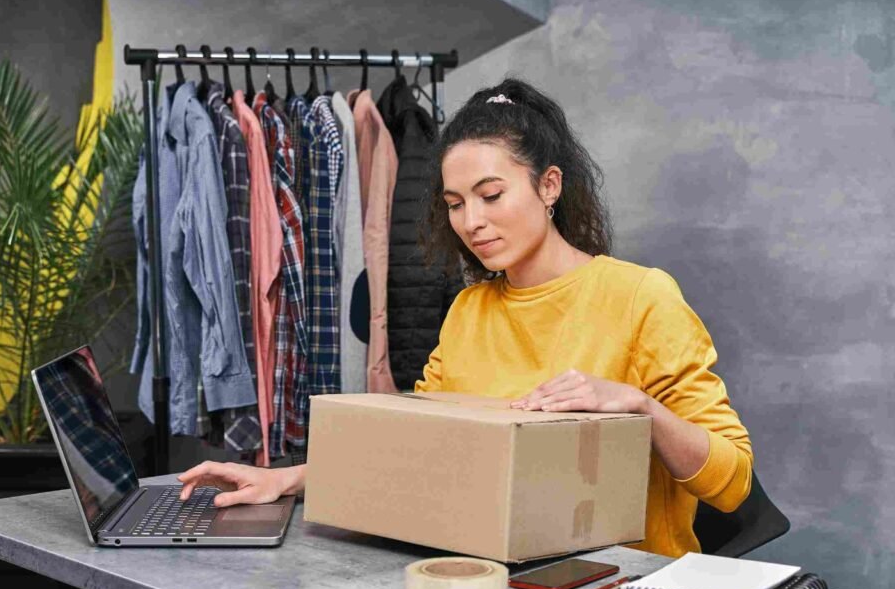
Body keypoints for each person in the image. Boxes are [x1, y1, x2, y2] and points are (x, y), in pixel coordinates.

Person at [178, 78, 752, 558]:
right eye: (454, 204)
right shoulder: (469, 310)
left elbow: (732, 484)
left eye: (491, 195)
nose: (471, 221)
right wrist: (287, 479)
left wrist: (639, 405)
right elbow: (415, 443)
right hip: (494, 579)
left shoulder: (641, 297)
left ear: (549, 185)